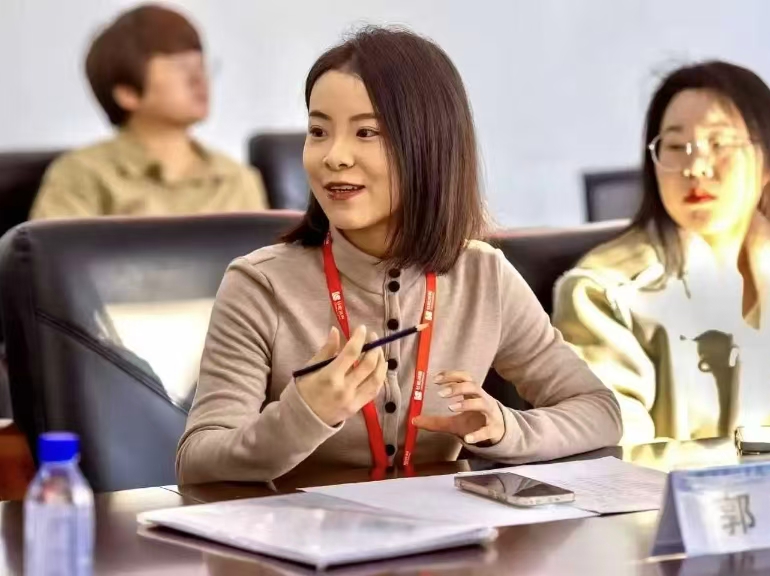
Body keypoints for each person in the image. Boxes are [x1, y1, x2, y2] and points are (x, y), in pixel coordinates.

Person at [176, 27, 621, 484]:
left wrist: (505, 428)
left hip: (445, 525)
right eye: (318, 131)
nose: (334, 156)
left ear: (428, 146)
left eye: (366, 132)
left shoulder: (483, 275)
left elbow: (599, 411)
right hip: (300, 526)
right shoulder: (259, 284)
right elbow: (198, 459)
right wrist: (303, 413)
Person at [554, 61, 770, 443]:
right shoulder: (605, 292)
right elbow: (612, 452)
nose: (696, 167)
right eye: (675, 146)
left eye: (719, 144)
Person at [30, 4, 267, 220]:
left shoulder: (237, 179)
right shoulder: (82, 173)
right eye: (181, 67)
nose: (200, 80)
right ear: (127, 93)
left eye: (201, 66)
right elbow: (52, 253)